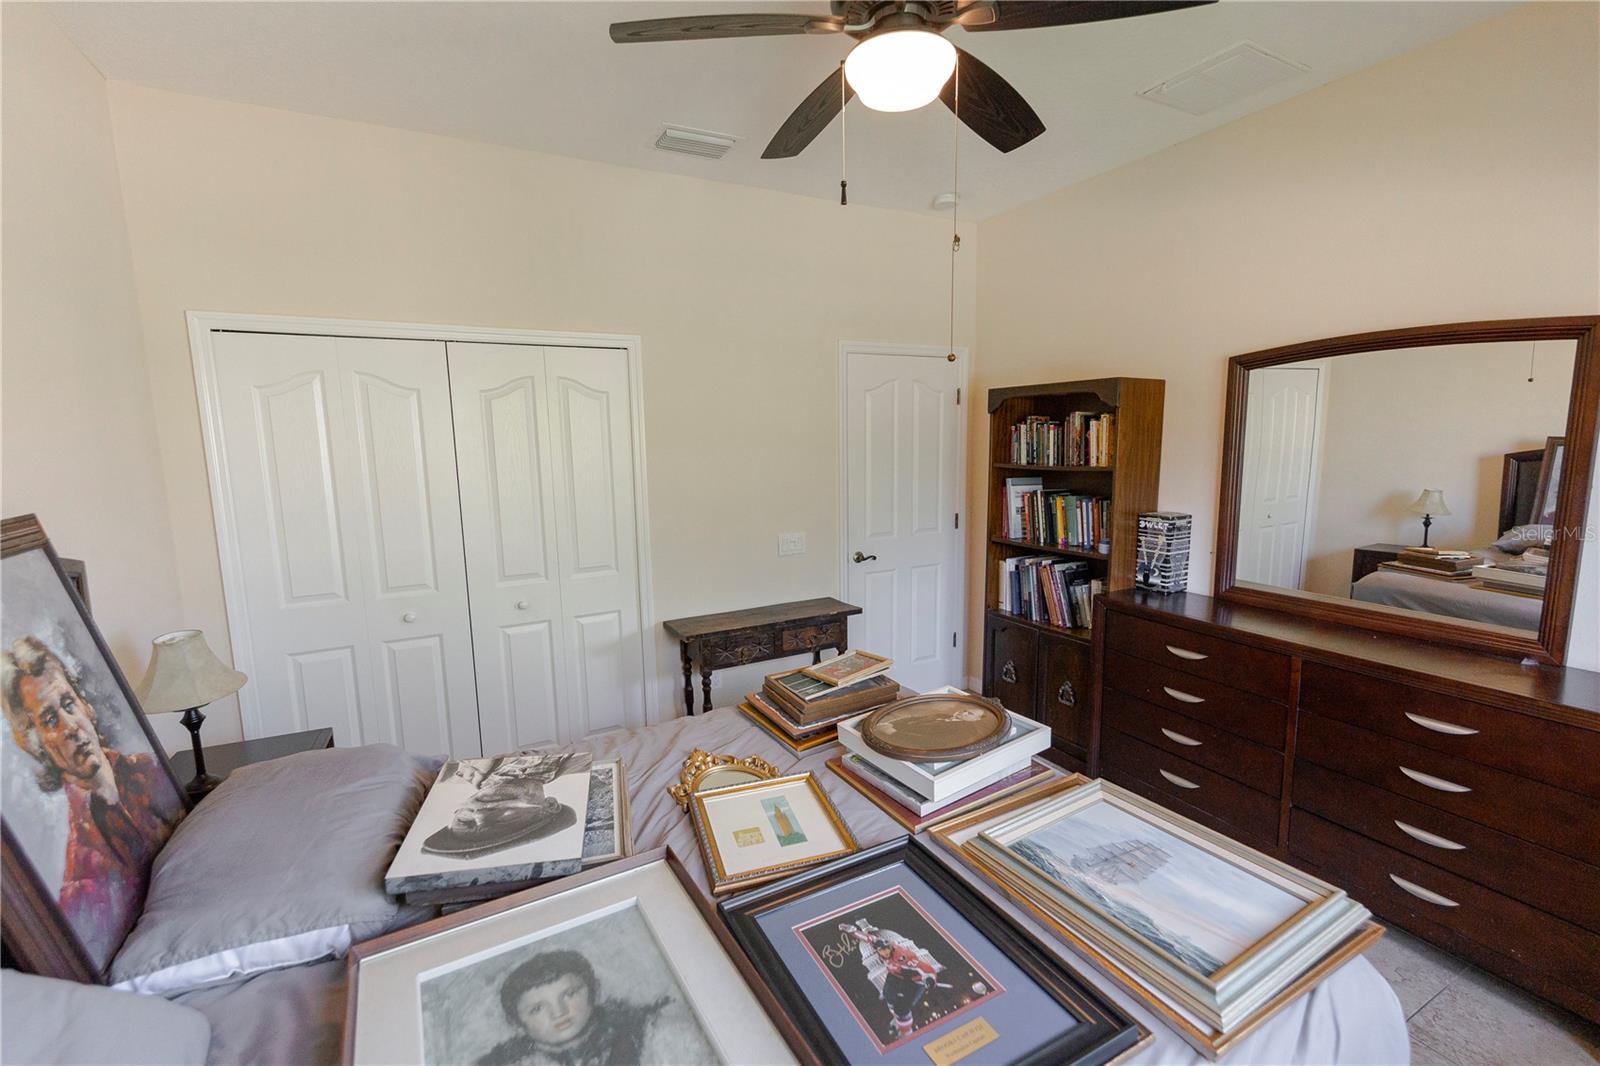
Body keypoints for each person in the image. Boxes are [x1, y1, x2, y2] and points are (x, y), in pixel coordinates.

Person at [1, 636, 181, 961]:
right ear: (37, 745)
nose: (70, 726)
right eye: (50, 720)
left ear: (86, 706)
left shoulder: (149, 773)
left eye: (69, 705)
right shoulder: (83, 875)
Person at [475, 949, 711, 1066]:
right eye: (537, 1008)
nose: (559, 1012)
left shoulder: (647, 1031)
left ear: (594, 991)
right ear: (516, 1023)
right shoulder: (509, 1062)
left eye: (569, 994)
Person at [840, 918, 944, 1041]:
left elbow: (925, 967)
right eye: (881, 952)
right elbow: (867, 938)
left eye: (886, 951)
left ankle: (906, 1031)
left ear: (891, 948)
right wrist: (852, 931)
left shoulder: (903, 957)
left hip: (913, 980)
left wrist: (930, 979)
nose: (883, 954)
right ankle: (898, 1017)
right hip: (895, 976)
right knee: (888, 994)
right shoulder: (879, 944)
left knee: (902, 1008)